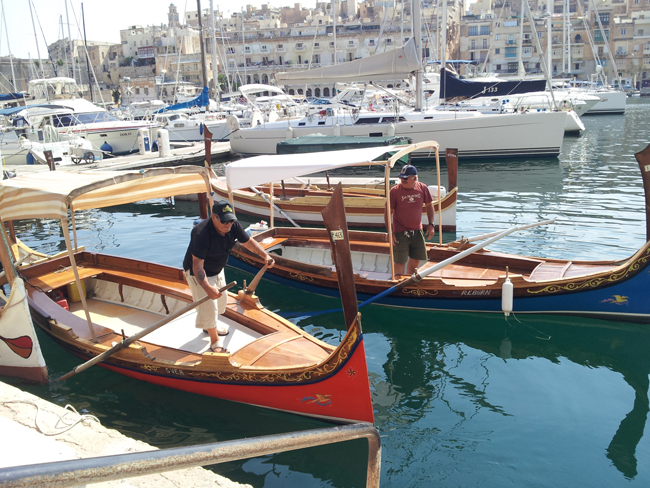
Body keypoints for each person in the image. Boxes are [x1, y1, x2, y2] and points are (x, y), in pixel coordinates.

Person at [183, 200, 275, 353]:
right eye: (225, 221)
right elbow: (197, 266)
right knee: (208, 306)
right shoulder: (200, 233)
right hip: (199, 273)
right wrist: (207, 287)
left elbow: (248, 242)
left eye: (231, 220)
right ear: (214, 218)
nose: (229, 224)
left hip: (218, 268)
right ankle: (214, 340)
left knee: (221, 302)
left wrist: (265, 256)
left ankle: (209, 326)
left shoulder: (233, 225)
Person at [385, 165, 436, 275]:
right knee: (400, 262)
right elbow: (387, 211)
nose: (402, 180)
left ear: (414, 178)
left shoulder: (422, 188)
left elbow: (429, 205)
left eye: (406, 178)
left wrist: (431, 224)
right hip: (400, 232)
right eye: (401, 178)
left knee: (416, 258)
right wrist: (390, 231)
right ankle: (398, 283)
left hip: (417, 231)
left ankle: (408, 280)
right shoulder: (394, 191)